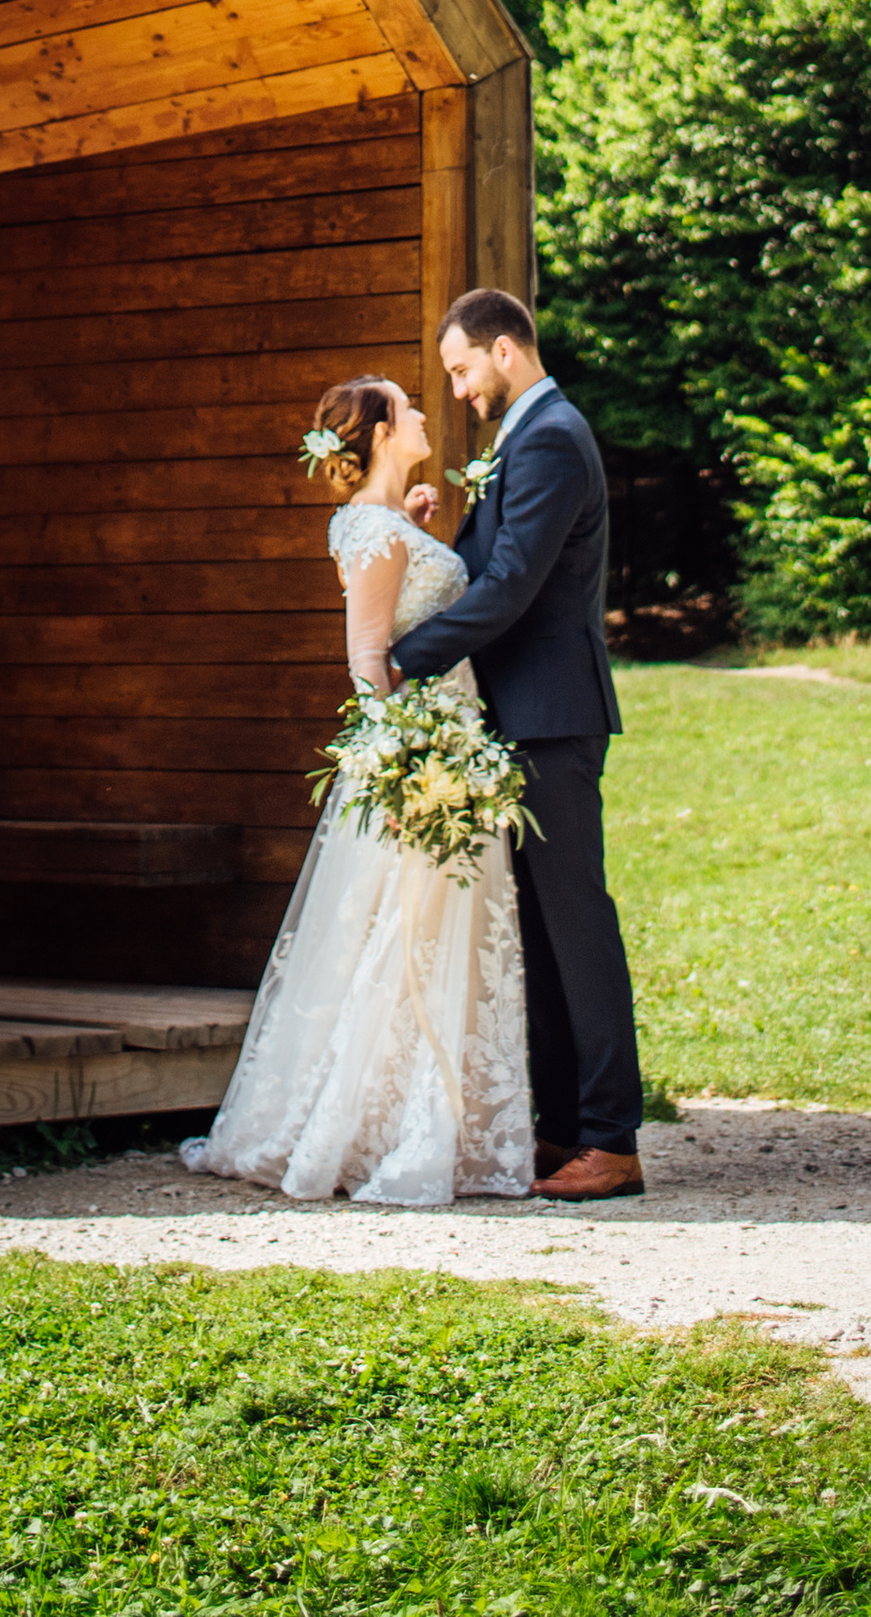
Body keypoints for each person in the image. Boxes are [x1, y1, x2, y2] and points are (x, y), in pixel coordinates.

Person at [179, 373, 533, 1206]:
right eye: (407, 409)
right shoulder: (370, 531)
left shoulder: (383, 524)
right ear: (377, 433)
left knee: (434, 936)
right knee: (403, 938)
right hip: (422, 759)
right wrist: (413, 760)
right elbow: (368, 659)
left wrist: (413, 532)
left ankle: (432, 1118)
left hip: (451, 742)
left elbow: (407, 599)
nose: (421, 415)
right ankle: (380, 1127)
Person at [388, 282, 645, 1202]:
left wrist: (401, 658)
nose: (456, 389)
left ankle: (613, 1140)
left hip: (552, 716)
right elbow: (483, 567)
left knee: (578, 924)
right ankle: (568, 1129)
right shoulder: (523, 438)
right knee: (540, 929)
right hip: (520, 716)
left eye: (461, 369)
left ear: (505, 350)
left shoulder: (549, 437)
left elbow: (508, 591)